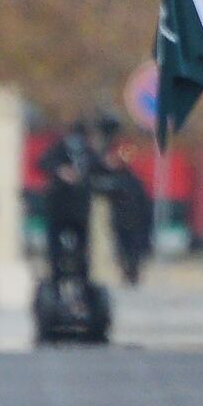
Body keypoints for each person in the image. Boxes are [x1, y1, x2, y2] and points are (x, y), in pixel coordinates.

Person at [38, 122, 99, 281]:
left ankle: (71, 279)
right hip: (66, 209)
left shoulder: (81, 152)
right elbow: (43, 163)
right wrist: (61, 171)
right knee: (65, 250)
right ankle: (64, 279)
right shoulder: (80, 152)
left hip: (72, 210)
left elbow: (99, 168)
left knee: (72, 251)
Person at [101, 147, 153, 285]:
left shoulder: (118, 181)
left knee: (126, 249)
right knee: (129, 250)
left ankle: (130, 273)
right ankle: (130, 273)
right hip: (130, 220)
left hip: (126, 220)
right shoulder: (134, 181)